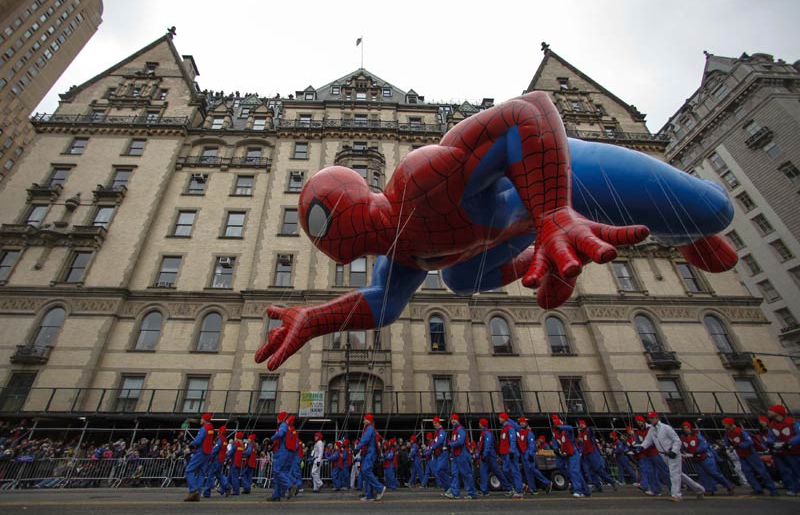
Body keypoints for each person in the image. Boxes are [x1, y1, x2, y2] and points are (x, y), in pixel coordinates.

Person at [256, 92, 737, 374]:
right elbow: (382, 304)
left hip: (566, 178)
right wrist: (314, 320)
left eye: (321, 223)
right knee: (461, 280)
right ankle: (552, 254)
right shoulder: (399, 256)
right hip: (530, 227)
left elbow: (529, 112)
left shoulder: (419, 180)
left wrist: (553, 211)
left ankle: (684, 230)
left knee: (715, 216)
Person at [640, 412, 705, 502]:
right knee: (679, 474)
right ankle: (699, 489)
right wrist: (641, 447)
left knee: (674, 474)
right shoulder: (652, 430)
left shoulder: (666, 428)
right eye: (650, 418)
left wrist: (674, 451)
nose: (651, 420)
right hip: (663, 454)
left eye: (652, 418)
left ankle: (676, 495)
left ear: (656, 418)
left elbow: (677, 440)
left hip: (672, 453)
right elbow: (648, 440)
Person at [721, 417, 778, 496]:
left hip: (751, 454)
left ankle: (773, 489)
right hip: (741, 455)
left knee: (762, 471)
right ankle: (757, 488)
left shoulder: (740, 431)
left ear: (730, 424)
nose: (723, 425)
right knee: (747, 472)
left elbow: (750, 442)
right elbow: (726, 441)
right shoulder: (727, 433)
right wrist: (723, 446)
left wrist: (740, 445)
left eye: (725, 423)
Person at [679, 422, 733, 495]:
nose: (686, 430)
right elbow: (682, 447)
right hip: (695, 459)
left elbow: (704, 445)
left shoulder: (697, 436)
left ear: (690, 428)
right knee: (703, 475)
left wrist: (697, 451)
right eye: (684, 428)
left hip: (705, 457)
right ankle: (709, 489)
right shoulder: (683, 439)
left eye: (687, 428)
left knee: (713, 472)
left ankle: (728, 485)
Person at [551, 414, 590, 498]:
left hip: (573, 453)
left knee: (574, 471)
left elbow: (571, 428)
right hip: (565, 454)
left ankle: (578, 490)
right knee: (563, 468)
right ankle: (584, 489)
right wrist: (555, 449)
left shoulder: (567, 431)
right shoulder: (555, 433)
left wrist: (561, 427)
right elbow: (554, 442)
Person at [766, 404, 800, 495]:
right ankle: (794, 489)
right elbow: (771, 436)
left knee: (797, 470)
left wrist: (790, 442)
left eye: (771, 411)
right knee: (789, 471)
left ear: (777, 413)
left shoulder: (792, 422)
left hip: (796, 451)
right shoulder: (772, 425)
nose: (768, 412)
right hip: (785, 451)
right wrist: (770, 443)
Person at [576, 419, 616, 492]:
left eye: (582, 424)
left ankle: (611, 481)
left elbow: (591, 431)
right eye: (580, 425)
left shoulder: (587, 431)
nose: (580, 426)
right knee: (591, 471)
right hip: (586, 455)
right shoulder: (580, 434)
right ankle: (598, 486)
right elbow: (579, 443)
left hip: (592, 453)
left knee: (598, 469)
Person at [633, 415, 668, 496]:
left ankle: (672, 489)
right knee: (650, 472)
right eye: (637, 421)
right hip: (646, 454)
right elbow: (639, 441)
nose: (638, 423)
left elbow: (654, 440)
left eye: (639, 421)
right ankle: (655, 490)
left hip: (656, 453)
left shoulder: (651, 429)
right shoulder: (638, 431)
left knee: (663, 471)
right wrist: (637, 448)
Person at [355, 414, 387, 501]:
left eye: (364, 419)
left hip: (370, 453)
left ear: (368, 420)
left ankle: (380, 488)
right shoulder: (368, 428)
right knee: (366, 473)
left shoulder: (369, 428)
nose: (363, 421)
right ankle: (369, 495)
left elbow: (365, 439)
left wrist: (357, 448)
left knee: (366, 470)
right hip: (367, 453)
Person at [445, 413, 477, 499]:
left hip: (462, 454)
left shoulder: (460, 430)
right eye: (452, 419)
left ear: (458, 420)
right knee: (455, 474)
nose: (453, 420)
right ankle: (455, 493)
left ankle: (471, 493)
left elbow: (461, 441)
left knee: (466, 474)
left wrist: (450, 444)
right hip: (456, 455)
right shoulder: (455, 430)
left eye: (454, 419)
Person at [517, 417, 552, 494]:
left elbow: (531, 444)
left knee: (532, 469)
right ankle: (532, 488)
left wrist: (530, 454)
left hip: (528, 453)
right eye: (520, 422)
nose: (521, 423)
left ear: (526, 423)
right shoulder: (520, 432)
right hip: (523, 454)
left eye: (523, 422)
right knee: (528, 472)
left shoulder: (529, 433)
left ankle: (546, 482)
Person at [184, 413, 214, 502]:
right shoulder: (211, 428)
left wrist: (190, 445)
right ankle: (197, 494)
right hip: (208, 452)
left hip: (201, 452)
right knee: (201, 472)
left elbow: (198, 440)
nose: (200, 420)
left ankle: (193, 490)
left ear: (204, 420)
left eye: (201, 419)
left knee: (189, 470)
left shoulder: (204, 428)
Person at [268, 411, 295, 502]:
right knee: (281, 473)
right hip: (289, 452)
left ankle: (290, 485)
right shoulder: (290, 428)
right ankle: (277, 495)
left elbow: (280, 434)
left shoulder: (283, 425)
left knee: (277, 471)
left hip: (282, 451)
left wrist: (272, 438)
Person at [498, 413, 524, 498]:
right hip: (505, 454)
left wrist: (512, 451)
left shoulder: (510, 428)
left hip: (510, 453)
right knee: (505, 470)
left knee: (515, 471)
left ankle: (519, 491)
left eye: (500, 418)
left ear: (504, 419)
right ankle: (519, 485)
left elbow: (513, 439)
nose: (499, 419)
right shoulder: (504, 429)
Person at [424, 417, 451, 492]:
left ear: (439, 423)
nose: (434, 425)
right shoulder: (437, 433)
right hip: (439, 454)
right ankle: (447, 489)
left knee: (439, 470)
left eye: (435, 423)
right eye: (433, 423)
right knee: (442, 471)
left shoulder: (441, 432)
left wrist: (433, 447)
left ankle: (449, 487)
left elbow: (440, 441)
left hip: (443, 453)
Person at [203, 425, 230, 497]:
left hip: (217, 460)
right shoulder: (225, 440)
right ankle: (226, 486)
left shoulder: (220, 439)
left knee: (210, 475)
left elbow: (215, 450)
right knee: (219, 475)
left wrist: (209, 456)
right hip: (221, 460)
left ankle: (207, 492)